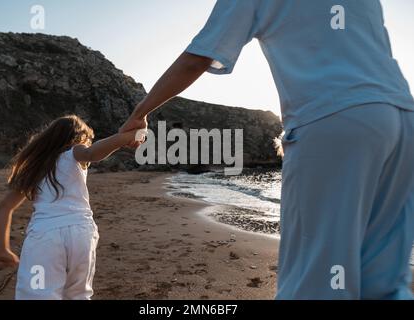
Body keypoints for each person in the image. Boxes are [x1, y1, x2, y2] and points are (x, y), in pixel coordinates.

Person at [120, 0, 414, 299]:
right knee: (384, 283)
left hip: (334, 118)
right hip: (402, 117)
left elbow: (198, 58)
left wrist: (139, 113)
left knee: (316, 282)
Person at [0, 115, 142, 299]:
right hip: (82, 234)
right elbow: (91, 154)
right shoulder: (74, 152)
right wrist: (126, 137)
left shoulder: (34, 168)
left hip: (45, 238)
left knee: (37, 293)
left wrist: (2, 249)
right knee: (78, 294)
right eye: (86, 140)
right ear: (77, 138)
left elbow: (5, 208)